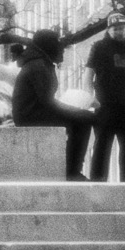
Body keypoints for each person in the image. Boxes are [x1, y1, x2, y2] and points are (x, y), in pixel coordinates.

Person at [12, 29, 93, 179]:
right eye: (58, 44)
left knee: (83, 117)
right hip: (30, 116)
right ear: (48, 45)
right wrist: (76, 112)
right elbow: (48, 103)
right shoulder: (38, 65)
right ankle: (71, 171)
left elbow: (47, 101)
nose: (61, 48)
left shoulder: (41, 62)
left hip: (33, 112)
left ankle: (71, 169)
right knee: (84, 120)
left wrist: (75, 111)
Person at [85, 11, 125, 182]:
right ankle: (97, 188)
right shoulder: (99, 47)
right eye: (116, 28)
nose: (120, 31)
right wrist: (90, 98)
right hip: (105, 107)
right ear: (109, 29)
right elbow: (88, 74)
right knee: (101, 151)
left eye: (122, 28)